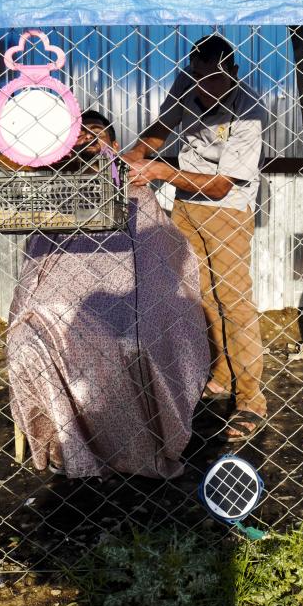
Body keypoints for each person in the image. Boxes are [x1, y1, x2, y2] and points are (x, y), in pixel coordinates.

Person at [8, 112, 209, 478]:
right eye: (78, 137)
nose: (86, 140)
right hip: (63, 305)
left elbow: (159, 262)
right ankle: (65, 440)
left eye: (95, 134)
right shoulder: (57, 195)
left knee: (141, 338)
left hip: (129, 302)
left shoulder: (137, 193)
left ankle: (140, 445)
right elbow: (38, 270)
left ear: (115, 147)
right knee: (30, 336)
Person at [123, 34, 268, 443]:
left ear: (234, 72)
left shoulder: (249, 109)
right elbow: (161, 128)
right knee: (198, 294)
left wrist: (160, 172)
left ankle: (251, 398)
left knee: (233, 299)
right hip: (186, 201)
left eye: (216, 78)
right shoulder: (188, 81)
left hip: (227, 208)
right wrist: (135, 155)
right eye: (199, 77)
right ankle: (220, 372)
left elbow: (221, 186)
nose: (205, 87)